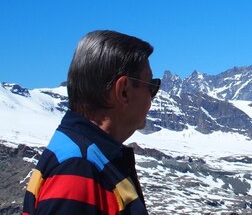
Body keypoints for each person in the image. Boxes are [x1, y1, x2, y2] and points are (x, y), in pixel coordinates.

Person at [23, 30, 160, 215]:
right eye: (151, 86)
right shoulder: (77, 171)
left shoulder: (83, 156)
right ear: (124, 91)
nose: (153, 97)